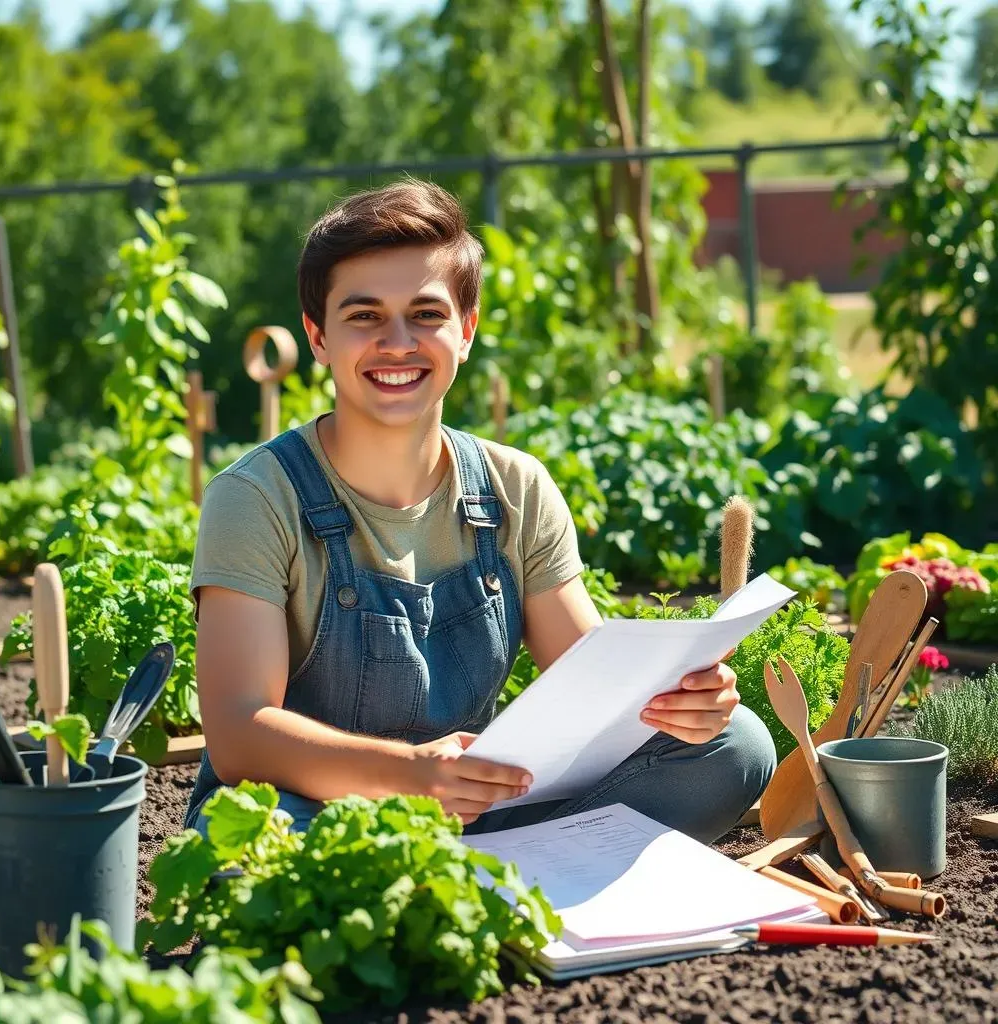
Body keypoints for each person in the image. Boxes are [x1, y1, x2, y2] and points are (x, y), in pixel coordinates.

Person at [183, 178, 776, 845]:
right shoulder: (259, 496)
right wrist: (410, 776)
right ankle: (503, 884)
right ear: (318, 337)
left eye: (427, 314)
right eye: (365, 316)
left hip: (474, 809)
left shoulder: (514, 488)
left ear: (465, 331)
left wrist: (680, 706)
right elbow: (238, 734)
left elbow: (598, 690)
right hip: (314, 815)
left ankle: (465, 886)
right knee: (243, 840)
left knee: (736, 745)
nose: (398, 342)